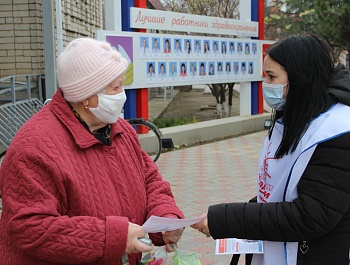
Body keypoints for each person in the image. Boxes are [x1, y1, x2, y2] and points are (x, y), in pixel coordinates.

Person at [0, 38, 184, 265]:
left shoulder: (120, 129)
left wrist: (165, 219)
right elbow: (30, 228)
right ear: (86, 97)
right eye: (115, 87)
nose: (122, 94)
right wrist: (113, 238)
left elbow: (150, 180)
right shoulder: (34, 148)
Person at [192, 33, 350, 265]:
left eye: (271, 76)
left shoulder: (338, 131)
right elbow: (280, 190)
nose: (265, 84)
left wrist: (227, 219)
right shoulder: (295, 118)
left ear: (299, 77)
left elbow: (310, 216)